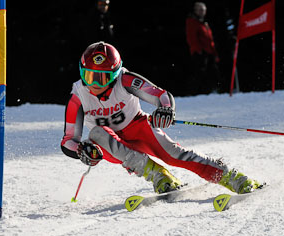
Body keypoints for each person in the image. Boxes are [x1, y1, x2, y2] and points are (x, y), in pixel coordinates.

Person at [61, 42, 263, 195]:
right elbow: (68, 139)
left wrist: (165, 109)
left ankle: (232, 177)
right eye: (89, 76)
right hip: (109, 145)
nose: (94, 84)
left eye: (102, 78)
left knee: (174, 155)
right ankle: (159, 176)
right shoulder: (78, 96)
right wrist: (81, 151)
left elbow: (160, 95)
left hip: (138, 128)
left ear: (114, 74)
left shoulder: (125, 79)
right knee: (96, 133)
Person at [185, 2, 221, 95]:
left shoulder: (204, 22)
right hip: (200, 53)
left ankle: (211, 91)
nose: (203, 12)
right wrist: (199, 51)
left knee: (213, 72)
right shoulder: (192, 21)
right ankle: (196, 93)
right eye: (200, 10)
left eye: (204, 10)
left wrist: (214, 53)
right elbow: (191, 38)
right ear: (196, 10)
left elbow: (209, 39)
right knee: (199, 73)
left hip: (209, 52)